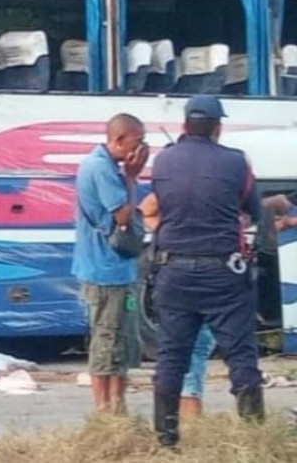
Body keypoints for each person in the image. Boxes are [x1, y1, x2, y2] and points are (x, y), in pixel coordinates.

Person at [149, 95, 264, 447]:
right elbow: (254, 210)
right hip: (223, 274)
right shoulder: (235, 162)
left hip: (174, 271)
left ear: (184, 125)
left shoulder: (163, 160)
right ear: (218, 126)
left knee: (172, 355)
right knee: (241, 353)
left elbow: (159, 205)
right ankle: (256, 439)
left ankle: (166, 441)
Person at [72, 113, 148, 415]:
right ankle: (105, 409)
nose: (140, 149)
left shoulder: (100, 165)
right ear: (118, 140)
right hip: (105, 271)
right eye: (137, 142)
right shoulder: (102, 168)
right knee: (107, 340)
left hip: (114, 269)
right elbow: (124, 216)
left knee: (120, 341)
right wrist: (131, 177)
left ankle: (118, 406)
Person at [141, 192, 216, 421]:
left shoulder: (174, 182)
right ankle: (190, 413)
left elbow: (145, 210)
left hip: (177, 270)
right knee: (197, 345)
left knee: (185, 346)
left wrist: (166, 235)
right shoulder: (223, 180)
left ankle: (180, 415)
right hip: (213, 271)